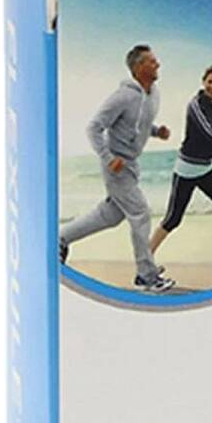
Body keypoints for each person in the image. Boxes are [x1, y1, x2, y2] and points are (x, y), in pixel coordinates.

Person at [59, 44, 176, 293]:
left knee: (110, 216)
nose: (158, 64)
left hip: (132, 164)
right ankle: (146, 276)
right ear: (139, 67)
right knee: (141, 213)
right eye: (152, 61)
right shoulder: (122, 96)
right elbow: (93, 127)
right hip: (116, 167)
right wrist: (107, 157)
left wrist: (157, 131)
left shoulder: (153, 94)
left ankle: (61, 238)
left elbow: (138, 124)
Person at [149, 64, 212, 275]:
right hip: (187, 169)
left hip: (206, 168)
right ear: (203, 82)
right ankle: (145, 262)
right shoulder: (195, 105)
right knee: (172, 220)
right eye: (210, 82)